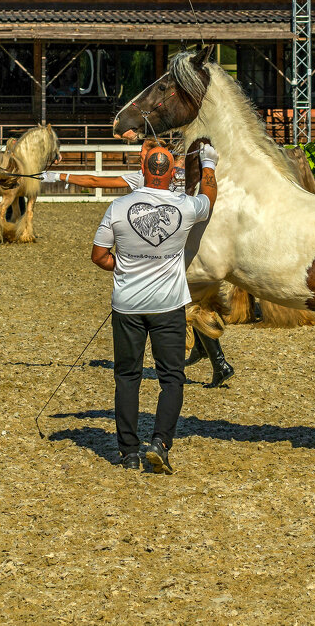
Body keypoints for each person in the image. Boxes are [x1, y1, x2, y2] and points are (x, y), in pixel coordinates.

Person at [45, 145, 236, 387]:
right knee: (189, 303)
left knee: (186, 305)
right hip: (189, 248)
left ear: (149, 161)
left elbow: (96, 180)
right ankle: (209, 355)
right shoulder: (183, 174)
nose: (138, 158)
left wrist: (59, 176)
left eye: (142, 155)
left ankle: (216, 360)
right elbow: (207, 197)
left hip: (166, 258)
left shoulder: (141, 178)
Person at [91, 140, 219, 473]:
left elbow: (98, 256)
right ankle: (160, 443)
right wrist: (208, 163)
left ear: (144, 172)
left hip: (128, 305)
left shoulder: (119, 207)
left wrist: (124, 265)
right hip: (168, 304)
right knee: (172, 378)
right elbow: (209, 197)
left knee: (128, 377)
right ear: (174, 173)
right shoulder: (185, 205)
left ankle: (128, 452)